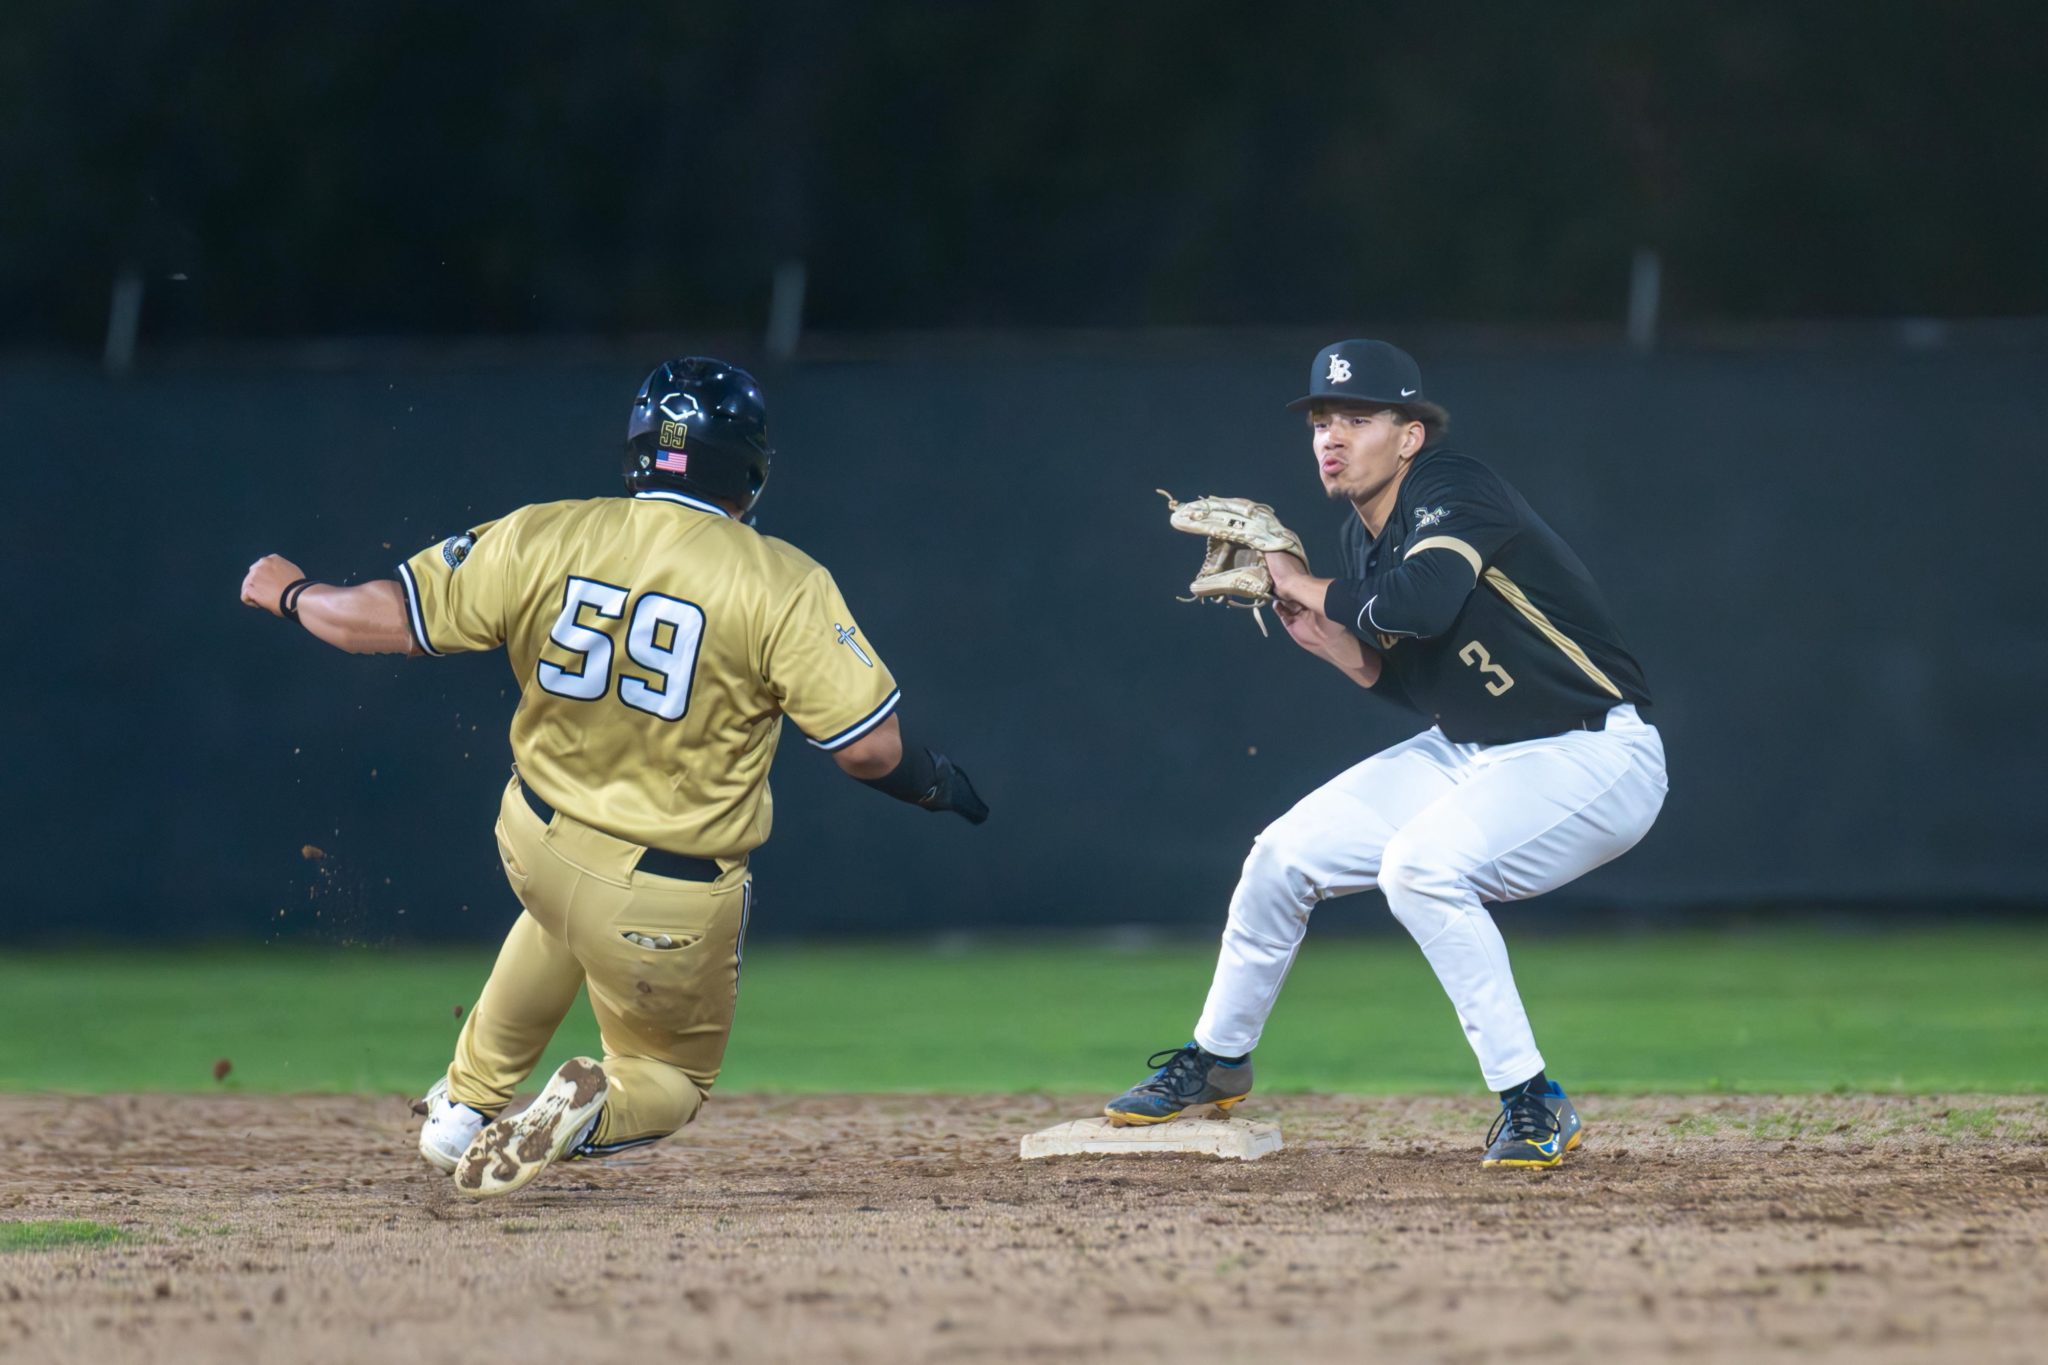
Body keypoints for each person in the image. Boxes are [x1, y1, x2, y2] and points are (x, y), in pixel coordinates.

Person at [239, 357, 987, 1197]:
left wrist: (293, 592)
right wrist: (936, 783)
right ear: (748, 468)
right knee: (672, 1077)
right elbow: (870, 749)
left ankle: (462, 1106)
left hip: (535, 841)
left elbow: (381, 617)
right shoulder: (782, 581)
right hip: (665, 896)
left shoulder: (547, 532)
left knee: (559, 920)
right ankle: (585, 1110)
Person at [1105, 339, 1667, 1168]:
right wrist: (1335, 643)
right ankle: (1219, 1059)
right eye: (1320, 421)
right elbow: (1423, 681)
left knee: (1419, 868)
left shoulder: (1453, 485)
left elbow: (1425, 602)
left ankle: (1532, 1097)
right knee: (1280, 857)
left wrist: (1297, 581)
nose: (1331, 436)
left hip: (1592, 751)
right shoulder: (1362, 536)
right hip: (1472, 746)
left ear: (1409, 436)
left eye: (1357, 418)